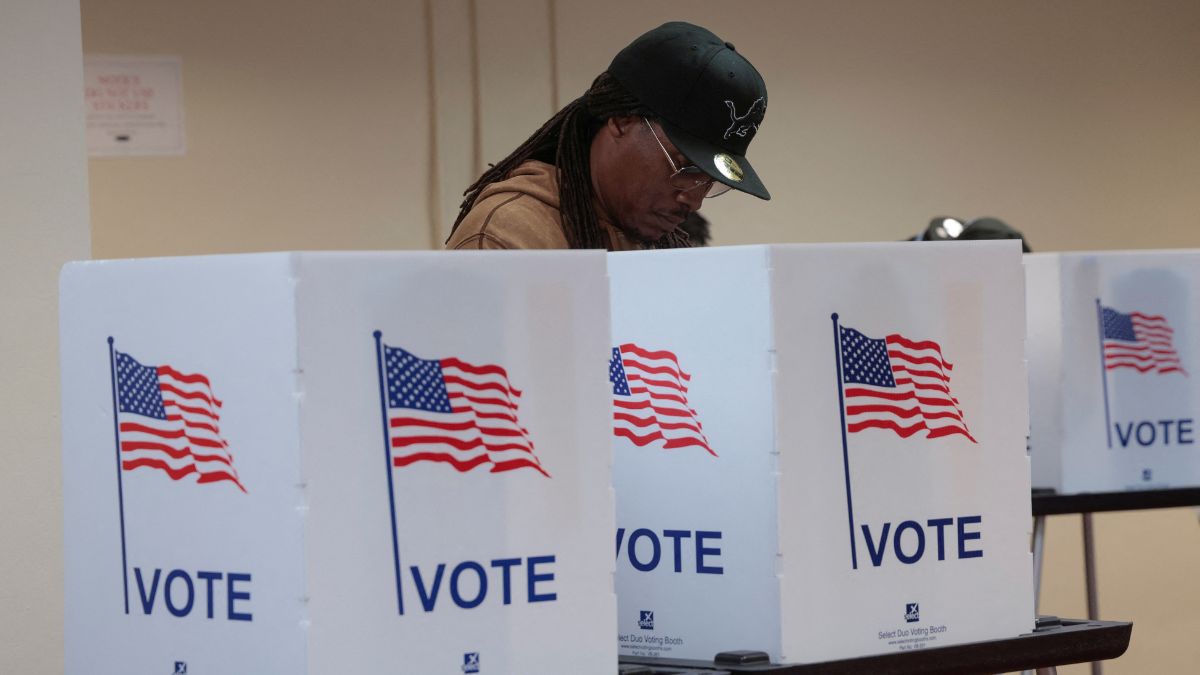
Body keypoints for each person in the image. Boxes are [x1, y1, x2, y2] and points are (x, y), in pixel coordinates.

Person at [445, 21, 770, 251]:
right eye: (684, 165)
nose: (694, 200)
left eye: (708, 181)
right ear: (621, 121)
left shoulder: (654, 246)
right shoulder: (509, 239)